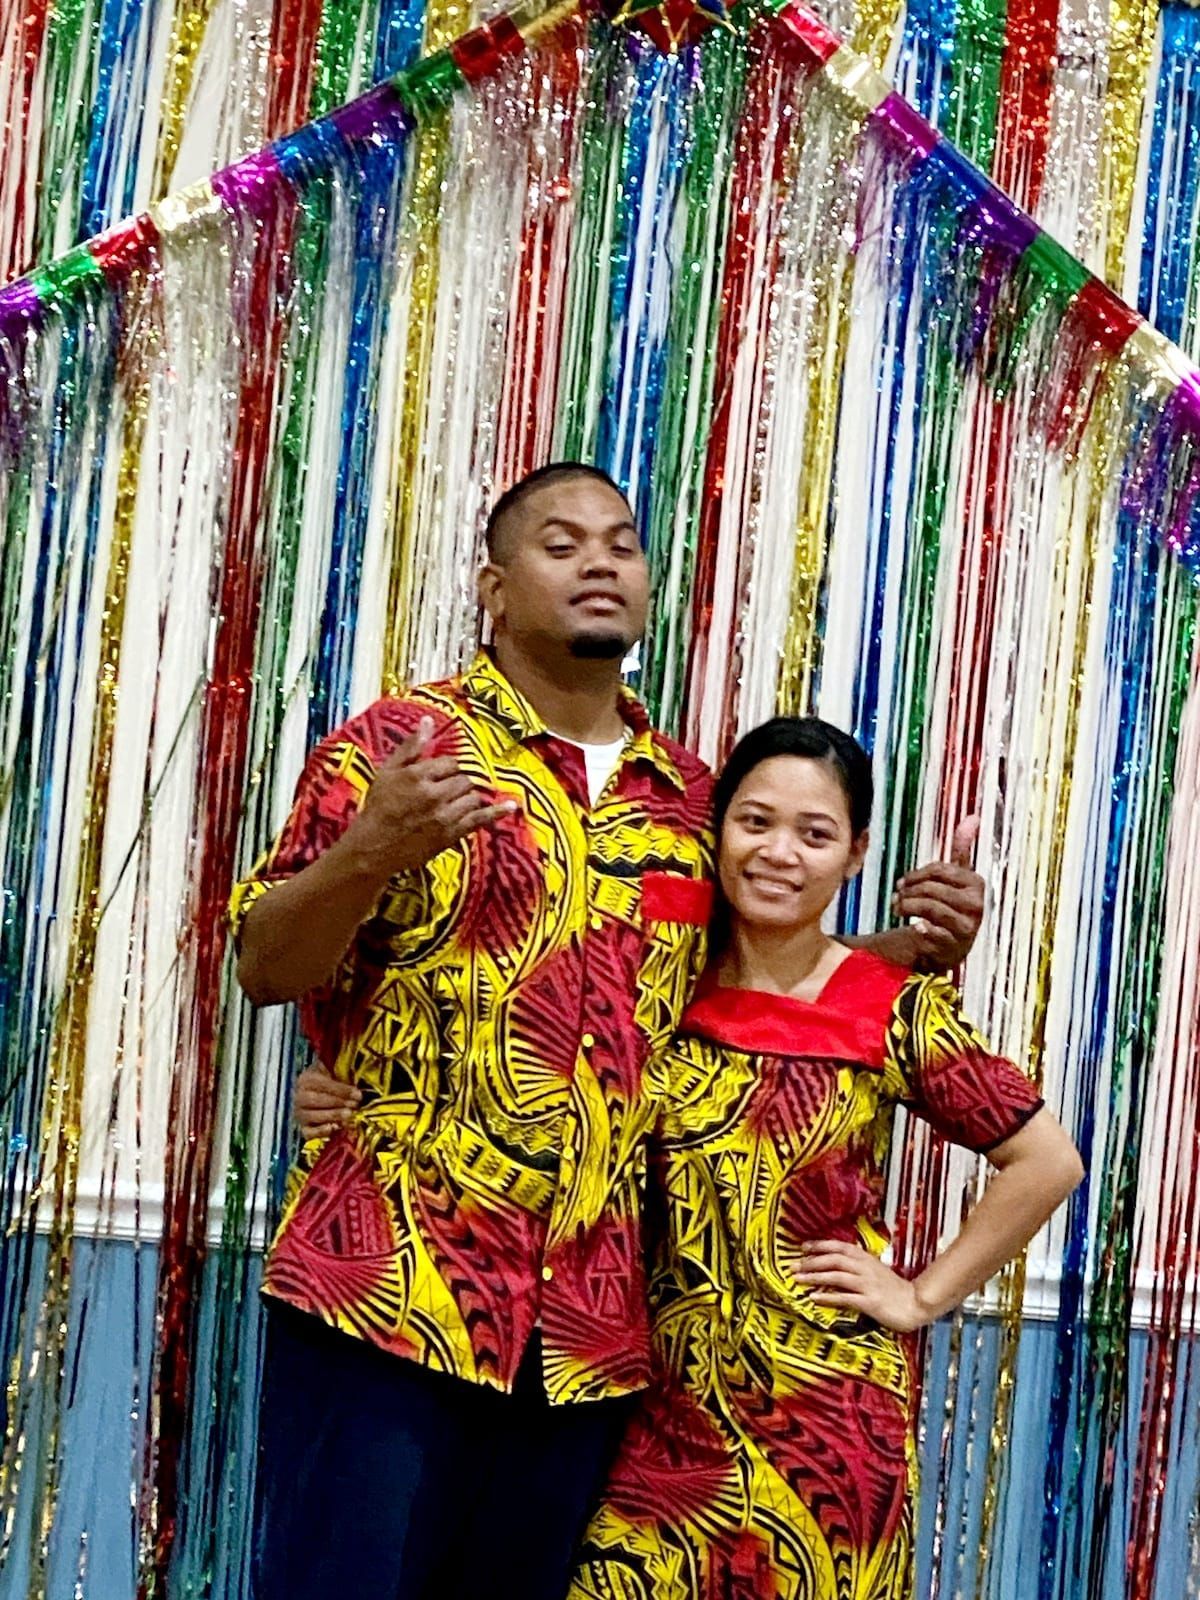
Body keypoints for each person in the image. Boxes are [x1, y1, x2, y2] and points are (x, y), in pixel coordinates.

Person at [234, 462, 986, 1600]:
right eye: (562, 543)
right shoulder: (404, 745)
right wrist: (369, 851)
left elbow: (737, 994)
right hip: (389, 1290)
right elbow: (265, 966)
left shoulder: (691, 798)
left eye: (622, 544)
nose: (600, 563)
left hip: (588, 1341)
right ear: (493, 586)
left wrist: (904, 950)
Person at [557, 716, 1083, 1600]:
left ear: (854, 854)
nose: (779, 853)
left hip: (827, 1433)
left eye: (815, 833)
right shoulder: (652, 988)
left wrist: (920, 1296)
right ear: (717, 829)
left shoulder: (889, 1008)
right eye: (755, 822)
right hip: (659, 1421)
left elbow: (1047, 1162)